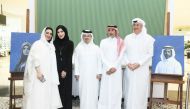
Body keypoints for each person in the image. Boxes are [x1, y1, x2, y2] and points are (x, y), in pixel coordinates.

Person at [23, 27, 62, 109]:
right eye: (47, 33)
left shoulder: (51, 46)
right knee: (39, 94)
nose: (49, 35)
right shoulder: (38, 44)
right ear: (43, 33)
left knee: (46, 95)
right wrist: (39, 72)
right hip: (40, 75)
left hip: (49, 75)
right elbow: (34, 58)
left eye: (51, 34)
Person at [123, 18, 155, 109]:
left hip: (141, 69)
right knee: (129, 89)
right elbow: (124, 52)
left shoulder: (149, 39)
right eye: (134, 25)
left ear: (142, 26)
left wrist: (139, 63)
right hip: (129, 69)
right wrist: (128, 63)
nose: (135, 27)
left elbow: (150, 53)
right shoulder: (127, 37)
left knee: (140, 90)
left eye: (137, 25)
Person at [98, 25, 125, 109]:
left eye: (112, 30)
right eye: (109, 30)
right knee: (105, 89)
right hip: (106, 69)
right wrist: (109, 67)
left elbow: (121, 56)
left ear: (116, 31)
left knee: (115, 89)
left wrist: (114, 67)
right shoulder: (103, 41)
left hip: (116, 70)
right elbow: (101, 56)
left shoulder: (121, 42)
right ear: (107, 32)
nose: (110, 32)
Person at [74, 30, 102, 109]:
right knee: (83, 92)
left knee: (93, 92)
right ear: (82, 37)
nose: (86, 37)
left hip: (94, 75)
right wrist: (76, 73)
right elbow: (76, 61)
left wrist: (99, 73)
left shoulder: (96, 48)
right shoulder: (78, 48)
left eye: (88, 36)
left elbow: (99, 61)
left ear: (91, 37)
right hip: (82, 75)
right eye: (84, 36)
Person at [53, 25, 74, 109]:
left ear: (65, 32)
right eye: (58, 32)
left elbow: (69, 58)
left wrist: (65, 70)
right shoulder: (53, 43)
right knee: (57, 91)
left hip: (66, 71)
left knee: (66, 91)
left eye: (62, 31)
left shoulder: (70, 43)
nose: (60, 34)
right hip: (56, 70)